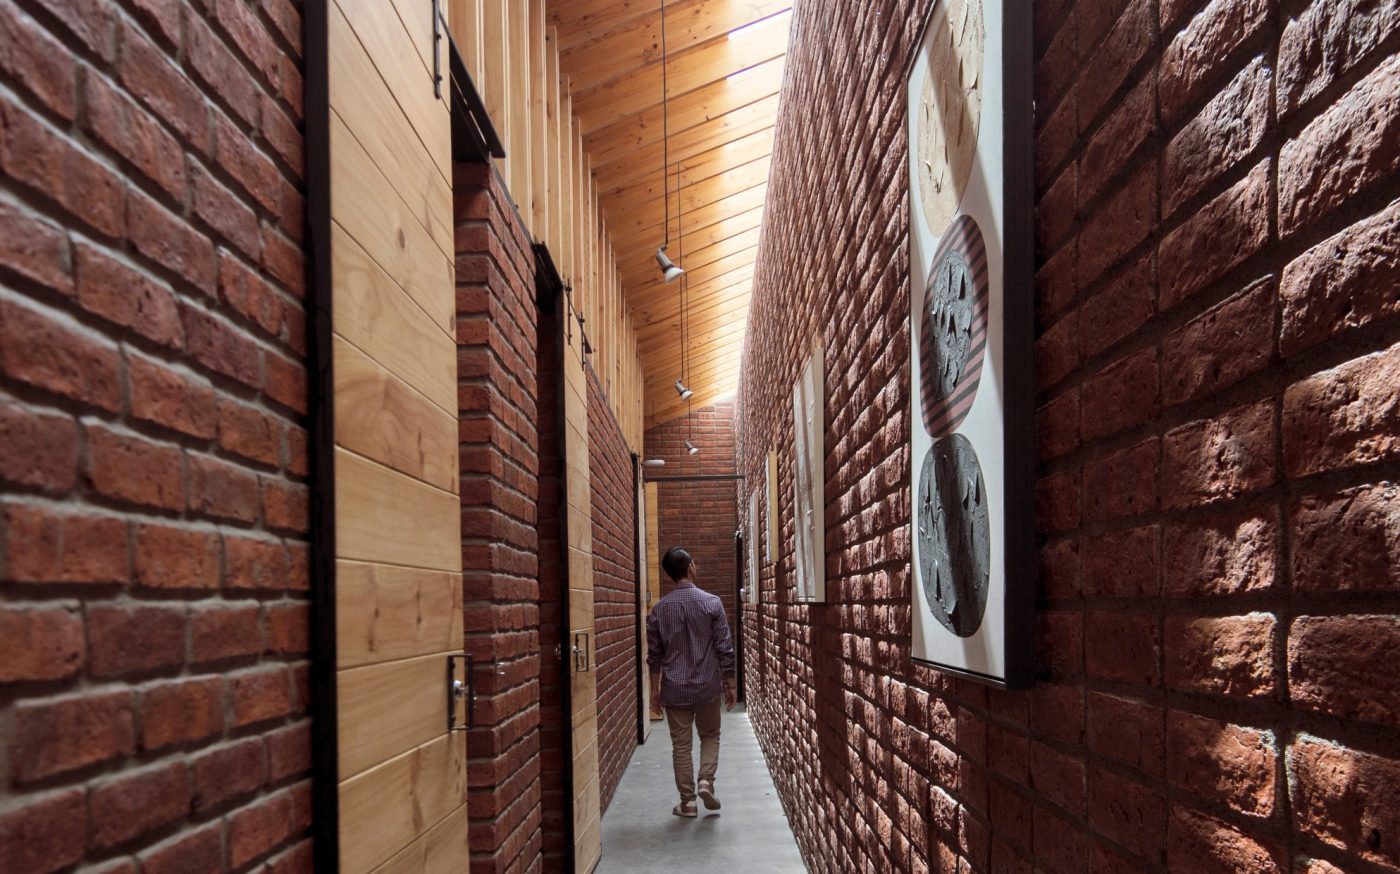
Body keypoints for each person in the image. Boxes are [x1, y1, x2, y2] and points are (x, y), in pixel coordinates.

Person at [646, 546, 737, 818]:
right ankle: (706, 781)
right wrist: (730, 684)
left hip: (674, 687)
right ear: (690, 568)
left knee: (681, 744)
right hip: (707, 685)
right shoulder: (712, 603)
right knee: (710, 734)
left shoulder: (659, 610)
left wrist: (654, 691)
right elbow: (724, 647)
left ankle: (687, 802)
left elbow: (654, 656)